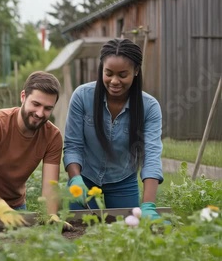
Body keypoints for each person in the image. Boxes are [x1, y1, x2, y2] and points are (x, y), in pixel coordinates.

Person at [63, 38, 164, 220]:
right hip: (85, 179)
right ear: (101, 68)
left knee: (126, 236)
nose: (114, 81)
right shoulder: (82, 97)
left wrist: (148, 205)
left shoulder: (149, 107)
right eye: (108, 73)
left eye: (122, 75)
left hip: (123, 182)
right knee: (78, 232)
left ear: (136, 71)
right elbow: (73, 145)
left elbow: (151, 155)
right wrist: (75, 179)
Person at [0, 71, 71, 228]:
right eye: (36, 104)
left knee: (17, 250)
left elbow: (50, 185)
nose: (40, 113)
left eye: (47, 108)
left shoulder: (52, 137)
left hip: (15, 206)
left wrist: (50, 214)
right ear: (23, 96)